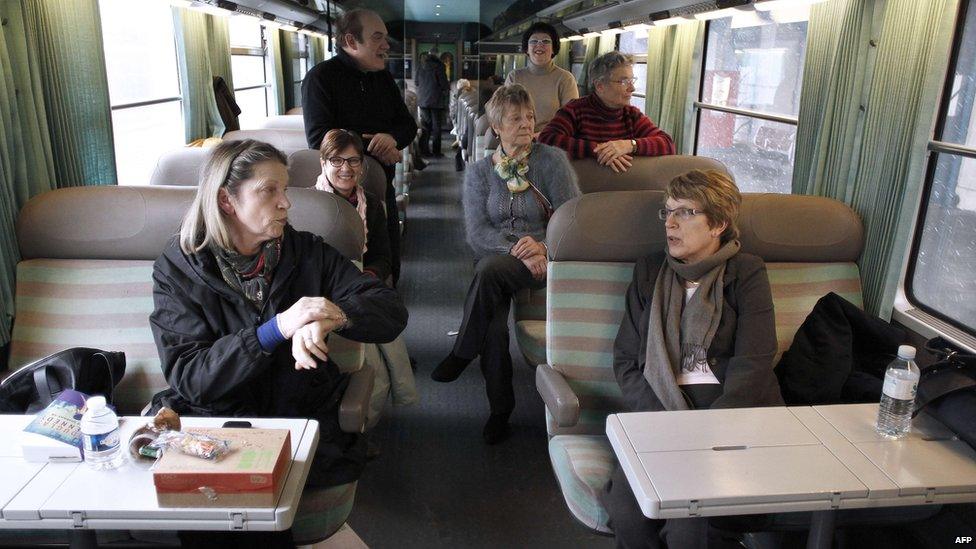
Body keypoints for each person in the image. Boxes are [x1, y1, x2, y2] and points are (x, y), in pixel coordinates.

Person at [148, 139, 408, 548]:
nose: (286, 202)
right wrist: (278, 328)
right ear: (227, 200)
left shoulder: (305, 253)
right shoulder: (180, 268)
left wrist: (330, 315)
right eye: (269, 190)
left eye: (285, 189)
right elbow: (192, 376)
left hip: (299, 419)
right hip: (219, 426)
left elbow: (390, 310)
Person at [601, 170, 783, 548]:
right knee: (628, 512)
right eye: (667, 212)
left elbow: (754, 363)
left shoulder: (746, 272)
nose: (669, 222)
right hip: (657, 413)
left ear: (718, 222)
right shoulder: (650, 270)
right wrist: (664, 426)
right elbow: (626, 361)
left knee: (689, 524)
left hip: (726, 420)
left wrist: (705, 434)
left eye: (684, 212)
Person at [431, 85, 580, 444]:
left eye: (529, 117)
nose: (526, 124)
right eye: (515, 118)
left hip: (547, 261)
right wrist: (515, 250)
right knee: (494, 329)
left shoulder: (552, 161)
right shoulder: (481, 173)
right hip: (502, 258)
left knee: (486, 273)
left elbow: (572, 218)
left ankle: (462, 351)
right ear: (496, 126)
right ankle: (500, 410)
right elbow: (476, 231)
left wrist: (542, 247)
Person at [301, 8, 417, 285]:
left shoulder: (383, 79)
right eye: (378, 38)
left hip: (379, 186)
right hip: (339, 190)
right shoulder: (320, 79)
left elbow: (407, 126)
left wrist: (391, 138)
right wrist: (374, 145)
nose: (386, 46)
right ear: (351, 41)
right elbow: (319, 138)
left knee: (388, 259)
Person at [315, 128, 418, 425]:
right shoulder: (309, 205)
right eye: (336, 160)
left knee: (380, 363)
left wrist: (367, 277)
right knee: (375, 365)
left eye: (353, 161)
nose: (345, 168)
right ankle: (358, 430)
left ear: (362, 165)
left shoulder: (372, 204)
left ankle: (364, 428)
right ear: (323, 163)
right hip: (323, 292)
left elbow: (384, 256)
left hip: (361, 286)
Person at [539, 50, 675, 173]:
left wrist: (629, 145)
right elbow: (546, 140)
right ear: (600, 86)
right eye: (624, 82)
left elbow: (668, 144)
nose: (632, 88)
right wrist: (598, 150)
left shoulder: (632, 115)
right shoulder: (575, 111)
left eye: (631, 80)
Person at [504, 22, 578, 133]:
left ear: (553, 49)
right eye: (534, 41)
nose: (539, 45)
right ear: (527, 49)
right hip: (519, 137)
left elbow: (571, 119)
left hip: (552, 141)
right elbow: (506, 113)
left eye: (546, 41)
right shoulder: (514, 77)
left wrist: (543, 135)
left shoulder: (565, 78)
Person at [416, 47, 450, 157]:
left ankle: (424, 151)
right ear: (438, 55)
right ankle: (436, 151)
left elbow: (416, 82)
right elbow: (444, 84)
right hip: (436, 101)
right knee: (436, 127)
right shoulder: (440, 66)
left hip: (423, 101)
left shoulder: (420, 66)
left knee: (426, 126)